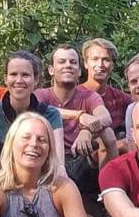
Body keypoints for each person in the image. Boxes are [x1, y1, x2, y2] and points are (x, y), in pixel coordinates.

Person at [35, 44, 117, 188]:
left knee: (108, 134)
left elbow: (105, 117)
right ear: (51, 70)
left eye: (73, 62)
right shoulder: (41, 95)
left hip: (80, 157)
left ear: (79, 71)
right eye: (62, 62)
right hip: (49, 159)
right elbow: (37, 109)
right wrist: (78, 115)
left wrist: (87, 130)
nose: (68, 65)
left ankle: (109, 190)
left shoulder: (89, 96)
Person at [0, 51, 65, 174]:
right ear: (5, 79)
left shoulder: (51, 115)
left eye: (25, 75)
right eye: (13, 74)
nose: (19, 80)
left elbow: (58, 163)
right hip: (4, 179)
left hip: (43, 179)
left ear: (36, 80)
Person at [81, 38, 131, 141]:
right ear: (86, 63)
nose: (100, 64)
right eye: (95, 59)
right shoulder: (75, 96)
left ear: (112, 65)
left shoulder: (121, 99)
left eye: (106, 60)